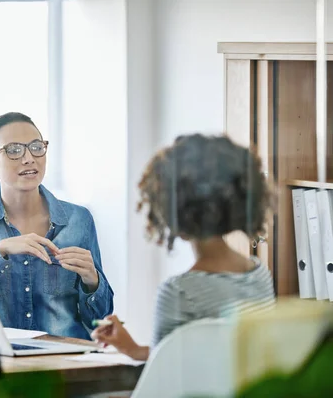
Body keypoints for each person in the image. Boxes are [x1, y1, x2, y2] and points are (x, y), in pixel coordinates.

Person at [92, 133, 276, 361]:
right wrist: (135, 350)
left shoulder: (179, 293)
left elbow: (167, 381)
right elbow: (216, 366)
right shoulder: (259, 276)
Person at [0, 112, 114, 340]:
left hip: (67, 363)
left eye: (36, 147)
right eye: (13, 150)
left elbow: (99, 321)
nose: (28, 158)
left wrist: (92, 281)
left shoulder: (79, 219)